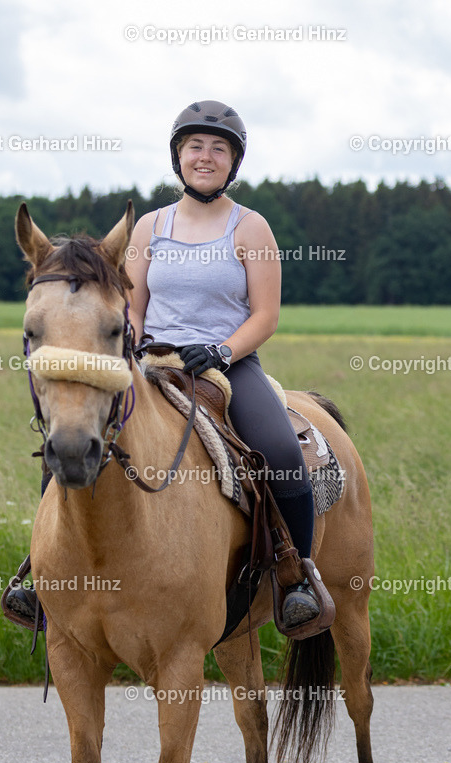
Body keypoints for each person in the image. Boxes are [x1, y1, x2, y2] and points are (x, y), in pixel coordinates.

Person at [127, 100, 325, 629]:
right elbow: (133, 306)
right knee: (75, 437)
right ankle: (43, 576)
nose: (205, 156)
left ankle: (295, 579)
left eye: (219, 149)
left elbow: (265, 315)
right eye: (195, 147)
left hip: (226, 365)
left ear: (233, 163)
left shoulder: (251, 227)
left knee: (282, 452)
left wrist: (220, 350)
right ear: (178, 156)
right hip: (152, 365)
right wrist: (134, 341)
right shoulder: (149, 227)